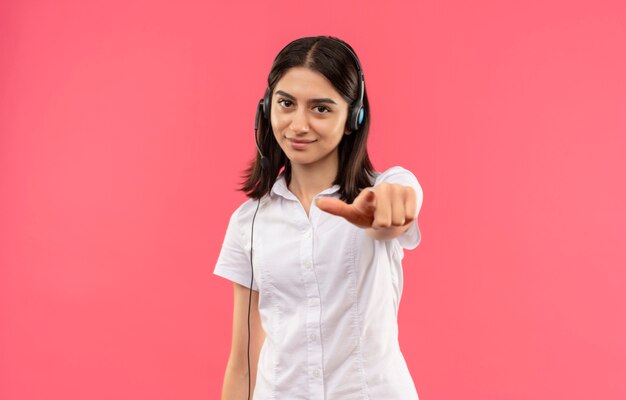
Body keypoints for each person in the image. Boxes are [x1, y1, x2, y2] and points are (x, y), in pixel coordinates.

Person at [214, 35, 424, 400]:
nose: (298, 124)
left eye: (321, 109)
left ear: (352, 119)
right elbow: (243, 360)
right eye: (286, 104)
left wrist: (388, 213)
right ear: (266, 108)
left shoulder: (383, 191)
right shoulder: (248, 222)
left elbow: (401, 204)